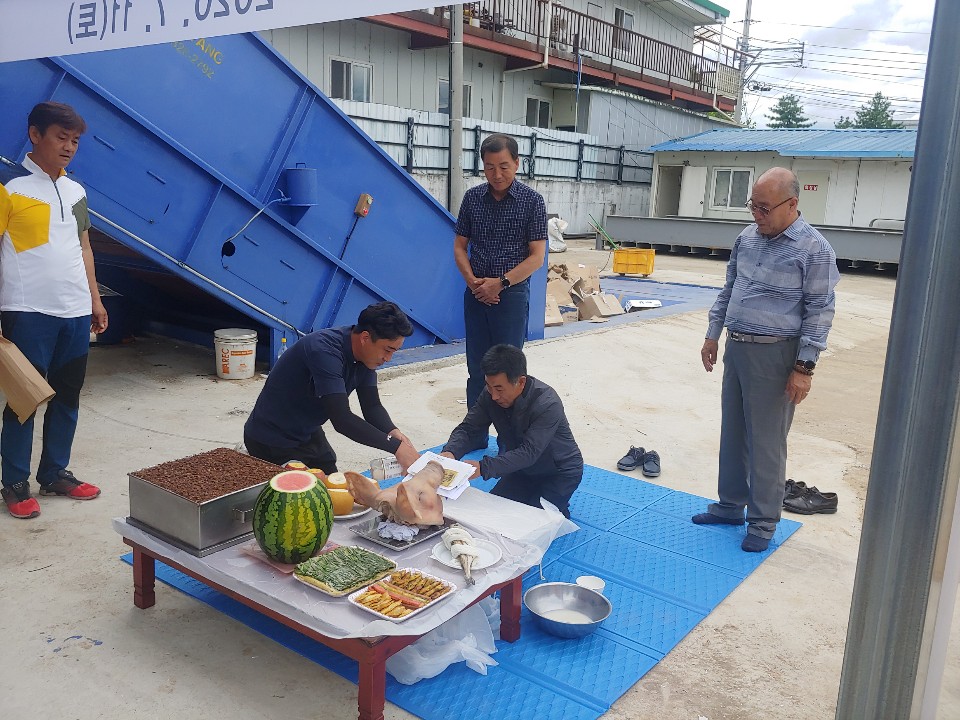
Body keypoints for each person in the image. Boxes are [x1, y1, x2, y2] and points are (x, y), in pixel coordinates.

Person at [693, 167, 840, 552]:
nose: (757, 216)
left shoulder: (815, 249)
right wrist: (713, 334)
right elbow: (730, 289)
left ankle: (762, 521)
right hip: (738, 347)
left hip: (777, 354)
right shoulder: (747, 238)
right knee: (734, 431)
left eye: (764, 209)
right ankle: (730, 505)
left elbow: (820, 311)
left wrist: (804, 368)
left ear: (791, 204)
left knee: (767, 441)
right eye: (752, 207)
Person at [0, 101, 108, 519]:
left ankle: (55, 472)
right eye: (61, 138)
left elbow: (84, 247)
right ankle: (14, 481)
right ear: (34, 135)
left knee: (68, 395)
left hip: (75, 310)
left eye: (75, 141)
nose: (68, 147)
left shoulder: (76, 191)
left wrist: (95, 299)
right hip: (27, 310)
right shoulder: (9, 186)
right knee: (25, 398)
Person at [243, 302, 420, 475]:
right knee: (308, 498)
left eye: (393, 352)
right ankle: (250, 461)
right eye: (387, 350)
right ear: (365, 338)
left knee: (336, 486)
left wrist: (393, 432)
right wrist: (396, 448)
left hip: (309, 432)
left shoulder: (367, 357)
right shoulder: (324, 350)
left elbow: (372, 406)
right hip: (272, 439)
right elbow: (341, 419)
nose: (388, 358)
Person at [453, 133, 547, 448]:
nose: (497, 174)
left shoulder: (532, 201)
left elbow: (536, 257)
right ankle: (475, 435)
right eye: (490, 167)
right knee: (476, 368)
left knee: (509, 373)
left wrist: (501, 282)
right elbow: (459, 246)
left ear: (517, 163)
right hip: (476, 292)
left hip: (512, 296)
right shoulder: (472, 199)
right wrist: (473, 283)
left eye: (504, 166)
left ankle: (512, 439)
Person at [440, 344, 583, 518]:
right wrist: (450, 452)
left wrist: (482, 467)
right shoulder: (490, 394)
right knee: (491, 514)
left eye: (499, 389)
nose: (494, 396)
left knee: (528, 522)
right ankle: (542, 501)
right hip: (522, 470)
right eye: (489, 386)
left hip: (559, 472)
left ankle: (556, 504)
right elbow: (469, 428)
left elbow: (529, 452)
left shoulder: (547, 403)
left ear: (521, 382)